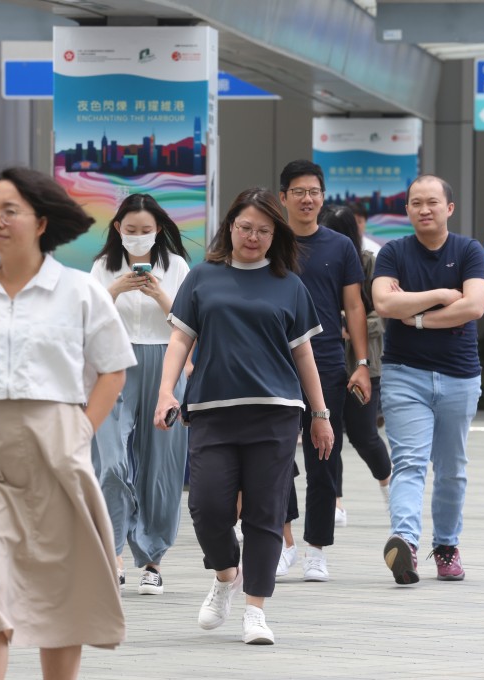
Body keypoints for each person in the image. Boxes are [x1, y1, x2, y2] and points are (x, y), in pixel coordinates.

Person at [0, 167, 134, 679]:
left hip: (56, 447)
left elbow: (113, 371)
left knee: (57, 585)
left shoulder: (80, 292)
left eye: (8, 210)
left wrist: (81, 431)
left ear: (40, 222)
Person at [153, 187, 334, 646]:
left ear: (277, 234)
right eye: (245, 228)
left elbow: (304, 354)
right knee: (207, 506)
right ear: (230, 226)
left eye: (263, 230)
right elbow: (179, 341)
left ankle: (256, 610)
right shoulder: (202, 277)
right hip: (212, 411)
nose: (253, 237)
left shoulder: (289, 285)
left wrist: (320, 413)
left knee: (265, 513)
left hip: (274, 414)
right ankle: (224, 576)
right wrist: (165, 392)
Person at [372, 175, 484, 585]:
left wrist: (417, 317)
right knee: (409, 462)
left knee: (452, 467)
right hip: (405, 374)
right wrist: (442, 294)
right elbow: (385, 302)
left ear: (449, 208)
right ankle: (404, 543)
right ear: (406, 209)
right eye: (415, 203)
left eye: (432, 203)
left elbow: (474, 306)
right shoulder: (393, 253)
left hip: (460, 376)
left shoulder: (469, 250)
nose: (424, 209)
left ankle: (446, 546)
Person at [89, 193, 190, 594]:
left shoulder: (176, 266)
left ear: (158, 230)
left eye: (145, 231)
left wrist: (157, 293)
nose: (137, 238)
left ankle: (152, 559)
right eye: (130, 231)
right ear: (117, 229)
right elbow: (91, 316)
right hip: (114, 364)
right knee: (111, 461)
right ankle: (112, 553)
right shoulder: (102, 267)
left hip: (164, 364)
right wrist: (115, 288)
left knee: (160, 464)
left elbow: (187, 322)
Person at [277, 160, 370, 582]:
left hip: (328, 361)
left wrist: (363, 364)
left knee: (324, 458)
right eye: (298, 191)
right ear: (283, 197)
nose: (308, 199)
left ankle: (317, 549)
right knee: (274, 458)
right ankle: (285, 543)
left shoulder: (340, 247)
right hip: (274, 363)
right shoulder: (271, 242)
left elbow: (354, 307)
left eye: (314, 191)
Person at [317, 205, 391, 522]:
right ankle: (335, 501)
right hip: (325, 360)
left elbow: (383, 313)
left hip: (364, 364)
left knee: (364, 435)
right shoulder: (314, 259)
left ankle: (390, 487)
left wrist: (353, 323)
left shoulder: (369, 263)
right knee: (328, 434)